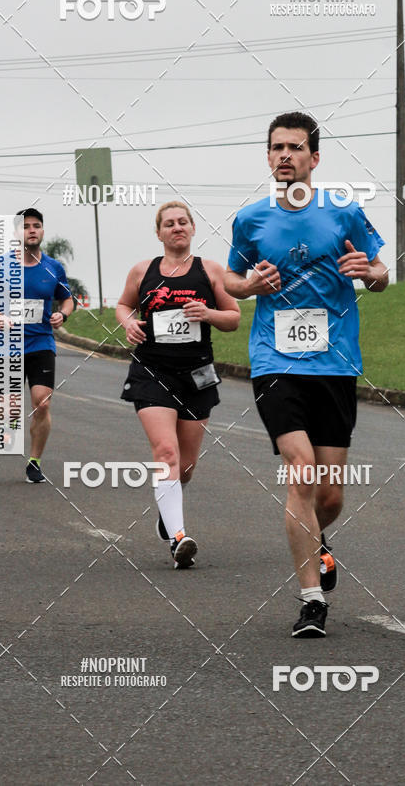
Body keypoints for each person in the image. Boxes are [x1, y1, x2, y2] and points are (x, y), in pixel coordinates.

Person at [224, 111, 388, 637]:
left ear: (314, 158)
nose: (285, 156)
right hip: (275, 360)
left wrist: (369, 273)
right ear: (268, 156)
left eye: (295, 147)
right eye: (277, 148)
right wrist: (250, 287)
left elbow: (382, 272)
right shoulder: (251, 219)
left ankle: (317, 540)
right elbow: (230, 279)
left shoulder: (344, 211)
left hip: (335, 362)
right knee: (302, 470)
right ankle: (311, 600)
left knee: (330, 495)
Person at [116, 202, 240, 569]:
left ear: (193, 228)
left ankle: (167, 511)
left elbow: (233, 318)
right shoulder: (143, 271)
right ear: (159, 233)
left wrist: (209, 313)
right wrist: (129, 323)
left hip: (196, 374)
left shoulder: (211, 271)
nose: (177, 228)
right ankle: (178, 537)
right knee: (166, 452)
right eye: (169, 224)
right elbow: (123, 306)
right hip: (152, 370)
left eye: (182, 222)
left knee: (185, 467)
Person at [0, 208, 73, 483]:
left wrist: (62, 315)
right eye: (26, 226)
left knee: (42, 403)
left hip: (41, 343)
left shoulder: (53, 268)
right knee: (11, 410)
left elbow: (67, 299)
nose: (31, 230)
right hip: (8, 346)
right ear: (16, 233)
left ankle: (34, 462)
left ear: (42, 231)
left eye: (36, 225)